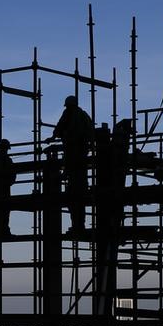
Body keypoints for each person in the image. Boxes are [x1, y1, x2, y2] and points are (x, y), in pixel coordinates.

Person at [44, 95, 94, 234]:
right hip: (80, 156)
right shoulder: (83, 115)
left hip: (73, 154)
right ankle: (79, 225)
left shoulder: (70, 114)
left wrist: (54, 137)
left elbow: (60, 126)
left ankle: (78, 225)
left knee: (74, 192)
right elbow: (91, 133)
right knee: (79, 191)